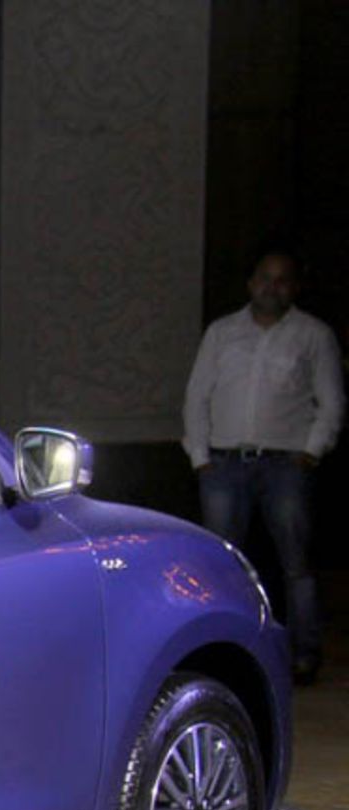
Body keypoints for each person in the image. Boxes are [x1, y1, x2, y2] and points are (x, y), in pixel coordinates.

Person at [183, 250, 344, 684]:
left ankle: (303, 654)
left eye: (282, 279)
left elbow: (331, 401)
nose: (272, 287)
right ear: (250, 283)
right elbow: (197, 396)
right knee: (220, 563)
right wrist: (200, 456)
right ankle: (222, 651)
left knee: (296, 565)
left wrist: (311, 451)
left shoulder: (313, 335)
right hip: (224, 464)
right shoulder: (222, 333)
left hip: (285, 465)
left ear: (295, 287)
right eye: (265, 278)